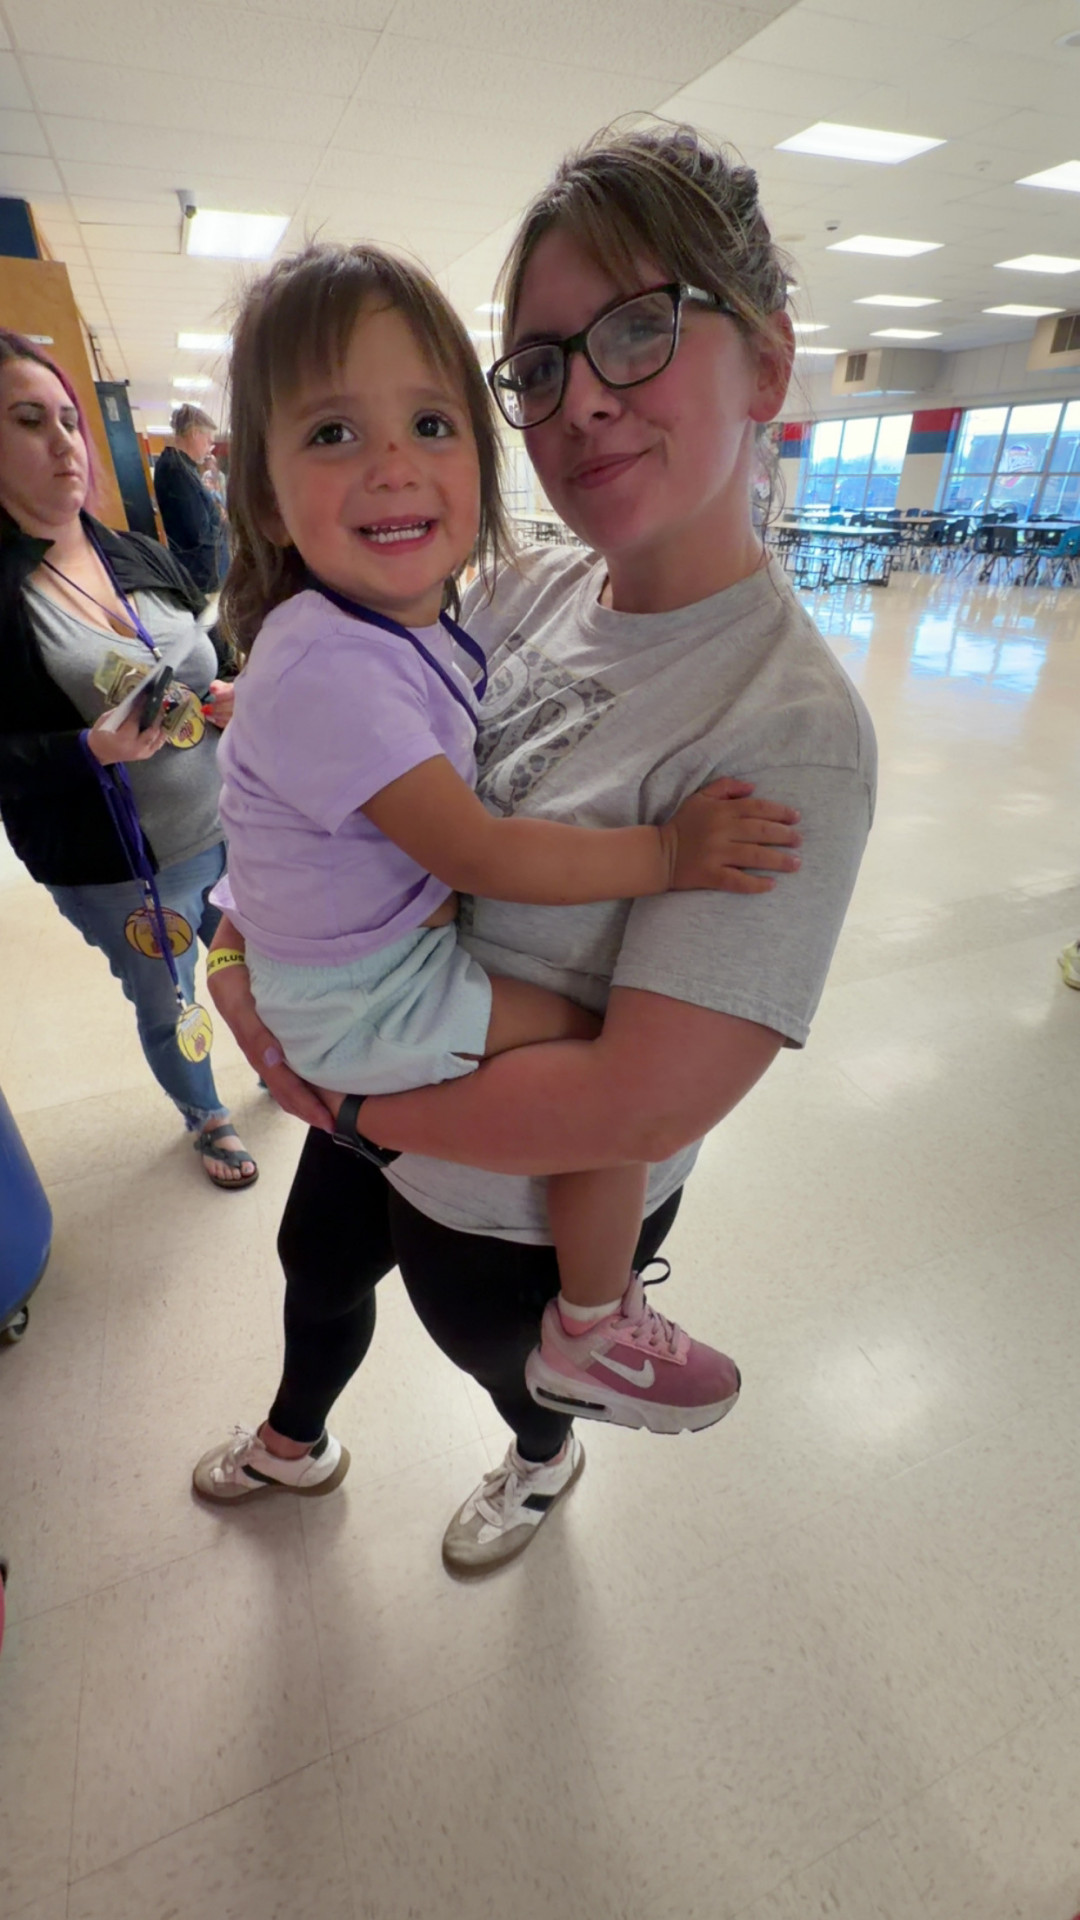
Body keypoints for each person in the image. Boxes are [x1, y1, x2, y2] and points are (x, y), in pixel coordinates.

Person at [194, 122, 876, 1574]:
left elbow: (637, 1102)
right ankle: (301, 1435)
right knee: (317, 1269)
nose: (586, 402)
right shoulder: (516, 594)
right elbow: (332, 804)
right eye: (544, 365)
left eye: (640, 328)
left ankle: (547, 1455)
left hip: (495, 1201)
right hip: (380, 1078)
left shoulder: (785, 730)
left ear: (766, 364)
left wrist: (347, 1101)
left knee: (510, 1370)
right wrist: (244, 945)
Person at [0, 331, 257, 1188]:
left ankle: (279, 1061)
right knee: (168, 996)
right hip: (125, 869)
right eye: (28, 421)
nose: (64, 442)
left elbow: (206, 650)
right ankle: (206, 1115)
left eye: (68, 419)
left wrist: (231, 688)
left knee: (259, 963)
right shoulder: (7, 598)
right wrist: (89, 748)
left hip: (230, 826)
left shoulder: (133, 551)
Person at [153, 404, 228, 593]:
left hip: (205, 573)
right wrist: (221, 521)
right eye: (208, 441)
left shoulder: (183, 467)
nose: (209, 449)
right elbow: (199, 532)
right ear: (195, 433)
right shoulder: (176, 470)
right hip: (201, 578)